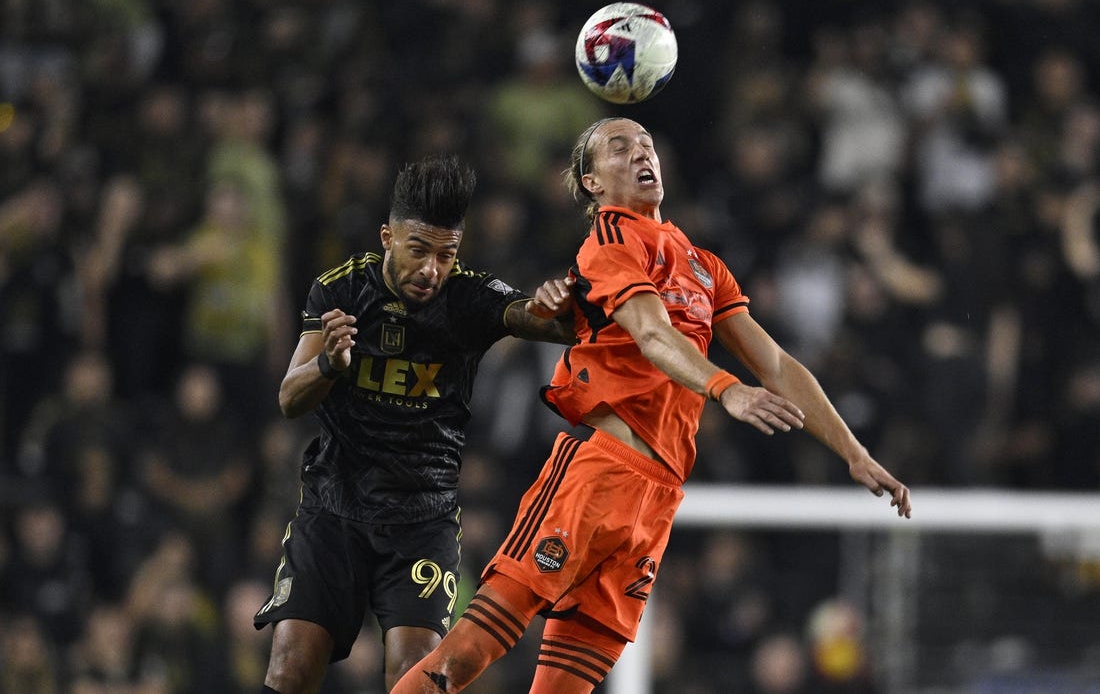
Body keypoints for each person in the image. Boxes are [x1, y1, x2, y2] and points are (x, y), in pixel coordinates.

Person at [390, 118, 913, 694]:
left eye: (647, 145)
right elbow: (654, 335)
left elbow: (778, 366)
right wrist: (726, 389)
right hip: (598, 472)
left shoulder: (703, 264)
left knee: (568, 687)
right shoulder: (611, 241)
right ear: (591, 181)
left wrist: (853, 452)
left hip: (656, 498)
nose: (641, 153)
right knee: (474, 648)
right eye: (620, 148)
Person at [253, 154, 576, 694]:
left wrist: (554, 306)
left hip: (421, 520)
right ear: (387, 236)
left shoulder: (468, 297)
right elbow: (290, 398)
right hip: (335, 508)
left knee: (416, 679)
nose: (431, 270)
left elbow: (537, 320)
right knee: (289, 669)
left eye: (446, 255)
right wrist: (331, 363)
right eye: (419, 250)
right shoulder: (340, 291)